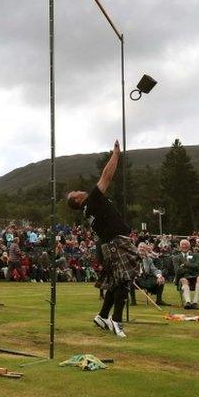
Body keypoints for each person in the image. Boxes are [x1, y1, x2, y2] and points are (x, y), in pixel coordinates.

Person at [67, 140, 138, 338]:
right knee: (123, 281)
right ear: (78, 200)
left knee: (116, 282)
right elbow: (106, 176)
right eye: (76, 193)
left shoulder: (88, 209)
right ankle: (116, 321)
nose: (81, 190)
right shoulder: (92, 201)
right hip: (116, 242)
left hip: (112, 243)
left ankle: (102, 316)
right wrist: (116, 154)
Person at [173, 239, 199, 309]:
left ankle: (195, 303)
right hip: (183, 277)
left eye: (186, 244)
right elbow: (177, 271)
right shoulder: (176, 258)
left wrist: (185, 264)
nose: (184, 246)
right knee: (183, 280)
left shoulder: (195, 255)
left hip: (195, 276)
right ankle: (187, 302)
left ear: (189, 246)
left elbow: (197, 266)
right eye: (183, 244)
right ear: (180, 246)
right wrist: (191, 267)